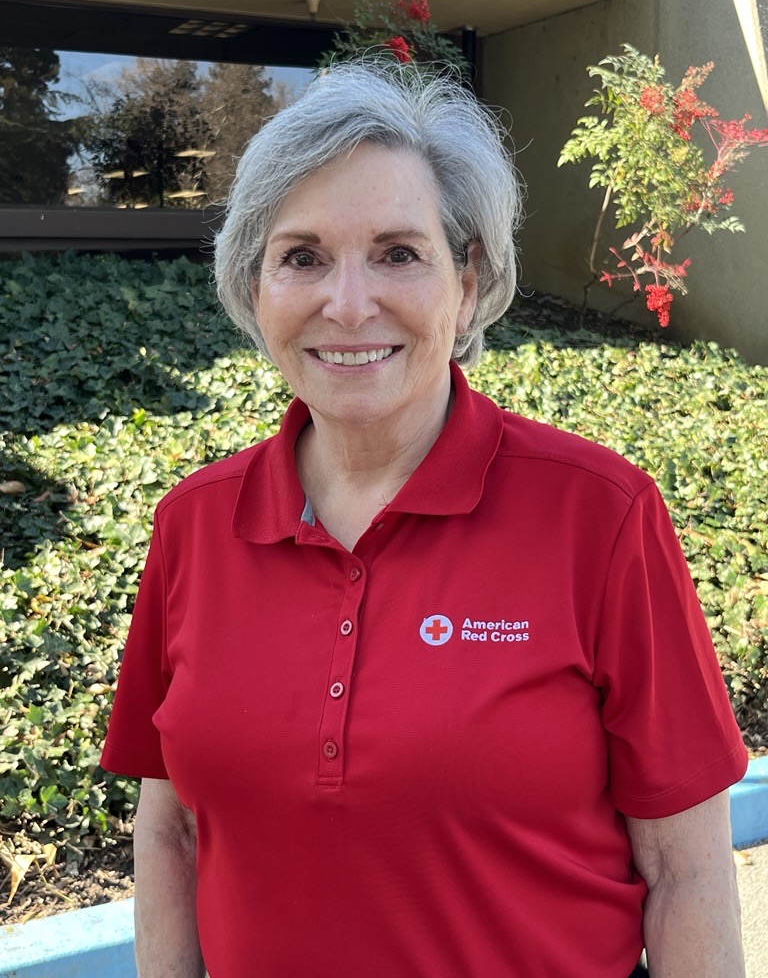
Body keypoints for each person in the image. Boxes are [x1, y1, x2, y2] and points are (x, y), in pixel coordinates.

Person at [101, 62, 748, 978]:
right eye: (303, 256)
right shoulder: (193, 527)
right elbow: (169, 834)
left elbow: (683, 870)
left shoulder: (598, 517)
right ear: (255, 286)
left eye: (399, 253)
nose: (349, 303)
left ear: (469, 279)